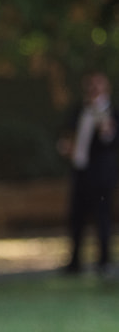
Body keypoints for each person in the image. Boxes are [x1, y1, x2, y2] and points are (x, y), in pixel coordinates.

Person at [60, 72, 118, 275]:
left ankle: (104, 262)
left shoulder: (112, 113)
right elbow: (67, 136)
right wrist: (66, 147)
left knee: (102, 219)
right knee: (76, 218)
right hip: (80, 172)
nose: (93, 90)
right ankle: (74, 263)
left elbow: (111, 142)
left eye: (97, 86)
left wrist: (107, 132)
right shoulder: (78, 111)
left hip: (101, 176)